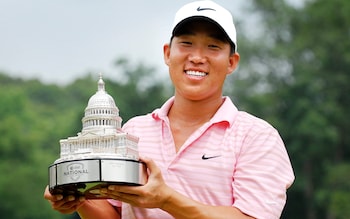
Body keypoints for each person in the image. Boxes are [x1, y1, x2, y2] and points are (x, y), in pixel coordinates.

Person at [44, 1, 294, 218]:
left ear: (231, 62)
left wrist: (166, 200)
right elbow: (117, 215)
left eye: (213, 47)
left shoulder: (257, 137)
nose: (197, 56)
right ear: (167, 53)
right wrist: (80, 199)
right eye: (186, 43)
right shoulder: (133, 131)